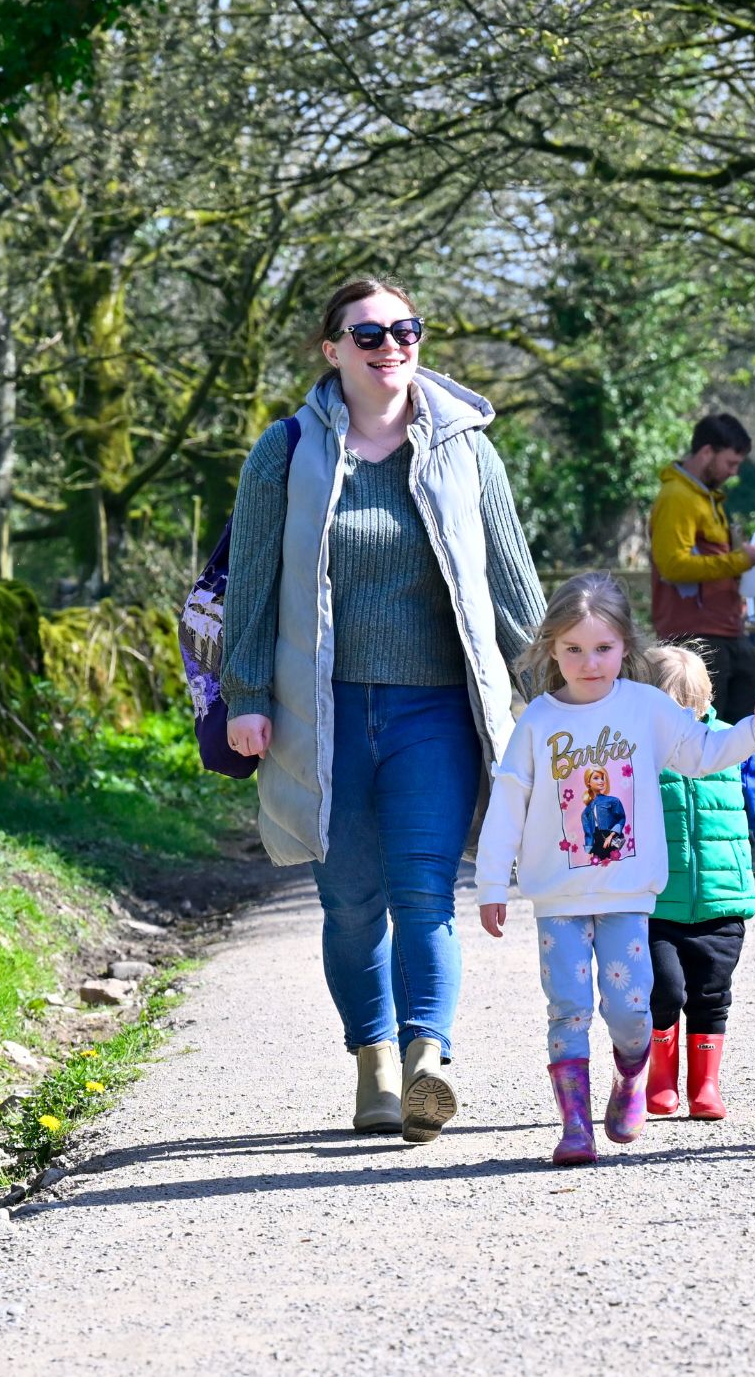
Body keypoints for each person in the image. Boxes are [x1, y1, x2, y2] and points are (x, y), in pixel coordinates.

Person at [220, 278, 542, 1144]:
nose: (390, 345)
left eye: (406, 329)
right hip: (316, 714)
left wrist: (565, 699)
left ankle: (428, 1054)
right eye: (368, 334)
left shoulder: (467, 450)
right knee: (351, 901)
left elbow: (511, 586)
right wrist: (245, 697)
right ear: (332, 350)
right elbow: (250, 587)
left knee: (425, 890)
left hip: (434, 713)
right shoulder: (284, 451)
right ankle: (375, 1067)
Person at [473, 574, 755, 1166]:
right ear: (552, 650)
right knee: (568, 1007)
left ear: (626, 648)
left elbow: (704, 753)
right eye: (574, 649)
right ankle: (575, 1127)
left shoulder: (646, 708)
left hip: (628, 896)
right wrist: (490, 881)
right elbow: (508, 801)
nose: (589, 663)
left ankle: (631, 1074)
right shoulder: (538, 721)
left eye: (603, 649)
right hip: (558, 897)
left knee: (631, 1011)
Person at [641, 645, 755, 1121]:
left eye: (690, 707)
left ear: (705, 701)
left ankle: (705, 1085)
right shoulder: (636, 752)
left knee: (711, 995)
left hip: (723, 902)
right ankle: (660, 1078)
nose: (682, 721)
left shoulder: (730, 746)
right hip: (656, 906)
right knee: (665, 991)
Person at [649, 412, 755, 711]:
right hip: (695, 636)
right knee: (703, 736)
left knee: (746, 724)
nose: (734, 472)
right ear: (706, 452)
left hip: (724, 630)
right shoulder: (676, 496)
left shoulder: (706, 498)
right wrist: (740, 560)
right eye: (730, 463)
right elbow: (672, 566)